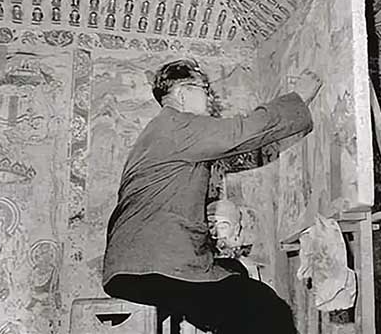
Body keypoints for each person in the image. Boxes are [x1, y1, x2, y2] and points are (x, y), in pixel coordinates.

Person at [102, 59, 322, 334]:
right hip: (154, 268)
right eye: (205, 89)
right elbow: (243, 131)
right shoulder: (178, 125)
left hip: (133, 267)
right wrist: (299, 98)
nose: (211, 97)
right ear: (183, 93)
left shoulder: (157, 132)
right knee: (266, 306)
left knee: (234, 272)